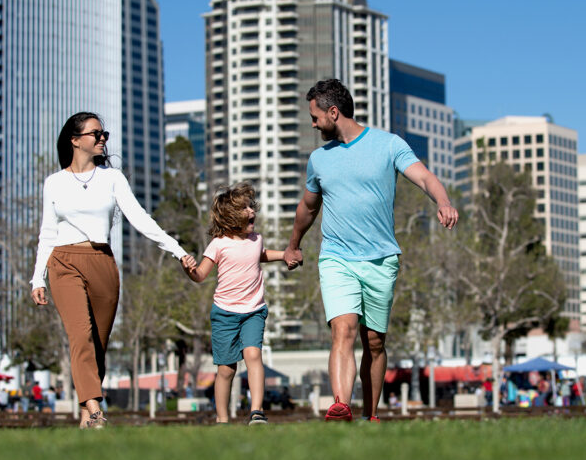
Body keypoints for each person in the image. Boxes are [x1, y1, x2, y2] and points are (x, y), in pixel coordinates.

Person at [283, 79, 458, 422]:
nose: (313, 124)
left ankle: (371, 414)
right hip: (336, 257)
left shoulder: (388, 145)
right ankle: (340, 405)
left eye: (316, 117)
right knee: (342, 330)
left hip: (380, 258)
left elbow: (423, 177)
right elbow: (308, 207)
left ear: (334, 112)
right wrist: (293, 244)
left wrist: (443, 201)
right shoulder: (318, 160)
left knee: (374, 341)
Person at [31, 112, 197, 429]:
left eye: (104, 133)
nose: (103, 138)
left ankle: (85, 415)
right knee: (80, 335)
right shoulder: (54, 183)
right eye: (96, 133)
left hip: (102, 262)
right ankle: (95, 409)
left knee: (98, 344)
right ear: (75, 139)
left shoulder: (112, 178)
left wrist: (177, 250)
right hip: (63, 262)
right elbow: (47, 233)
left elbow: (140, 218)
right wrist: (37, 277)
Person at [186, 182, 286, 426]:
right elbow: (200, 275)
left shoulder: (256, 239)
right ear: (231, 216)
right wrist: (189, 269)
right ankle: (222, 419)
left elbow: (260, 255)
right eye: (244, 209)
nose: (251, 212)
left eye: (251, 207)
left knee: (253, 355)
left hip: (253, 311)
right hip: (225, 314)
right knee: (226, 370)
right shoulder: (219, 244)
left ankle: (257, 412)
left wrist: (284, 255)